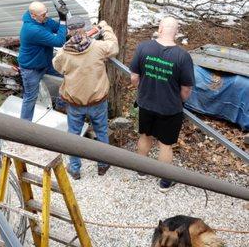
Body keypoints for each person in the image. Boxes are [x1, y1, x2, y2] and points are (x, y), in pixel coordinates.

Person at [130, 17, 195, 192]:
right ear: (176, 32)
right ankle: (165, 182)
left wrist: (143, 89)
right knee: (165, 145)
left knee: (144, 136)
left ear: (159, 28)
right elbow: (186, 89)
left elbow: (134, 78)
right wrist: (178, 100)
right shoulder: (183, 56)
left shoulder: (143, 47)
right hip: (169, 109)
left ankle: (141, 171)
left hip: (145, 104)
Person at [52, 17, 119, 180]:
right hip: (98, 101)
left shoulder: (62, 53)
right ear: (85, 28)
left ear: (69, 31)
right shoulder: (98, 47)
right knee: (101, 131)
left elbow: (57, 67)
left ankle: (75, 169)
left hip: (74, 103)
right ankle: (103, 165)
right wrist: (105, 28)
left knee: (74, 136)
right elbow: (114, 46)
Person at [18, 0, 68, 121]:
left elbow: (58, 29)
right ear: (33, 15)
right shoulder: (32, 29)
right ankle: (23, 127)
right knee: (30, 98)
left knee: (68, 76)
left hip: (45, 62)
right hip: (31, 69)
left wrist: (64, 24)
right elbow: (59, 41)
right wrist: (63, 19)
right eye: (43, 14)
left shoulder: (42, 20)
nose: (46, 16)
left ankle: (61, 105)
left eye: (46, 13)